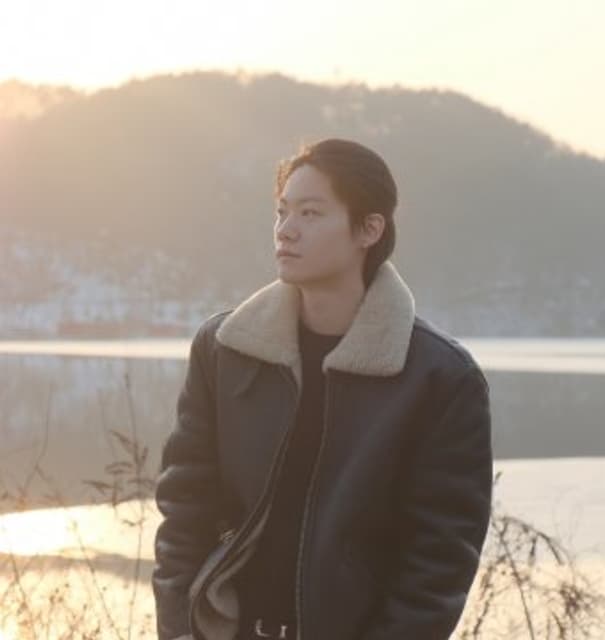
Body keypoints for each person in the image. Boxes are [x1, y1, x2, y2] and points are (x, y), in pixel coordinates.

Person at [152, 138, 493, 640]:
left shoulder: (439, 377)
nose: (286, 230)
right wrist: (180, 628)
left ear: (369, 230)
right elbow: (185, 506)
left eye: (310, 213)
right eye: (282, 211)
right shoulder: (225, 349)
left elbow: (439, 560)